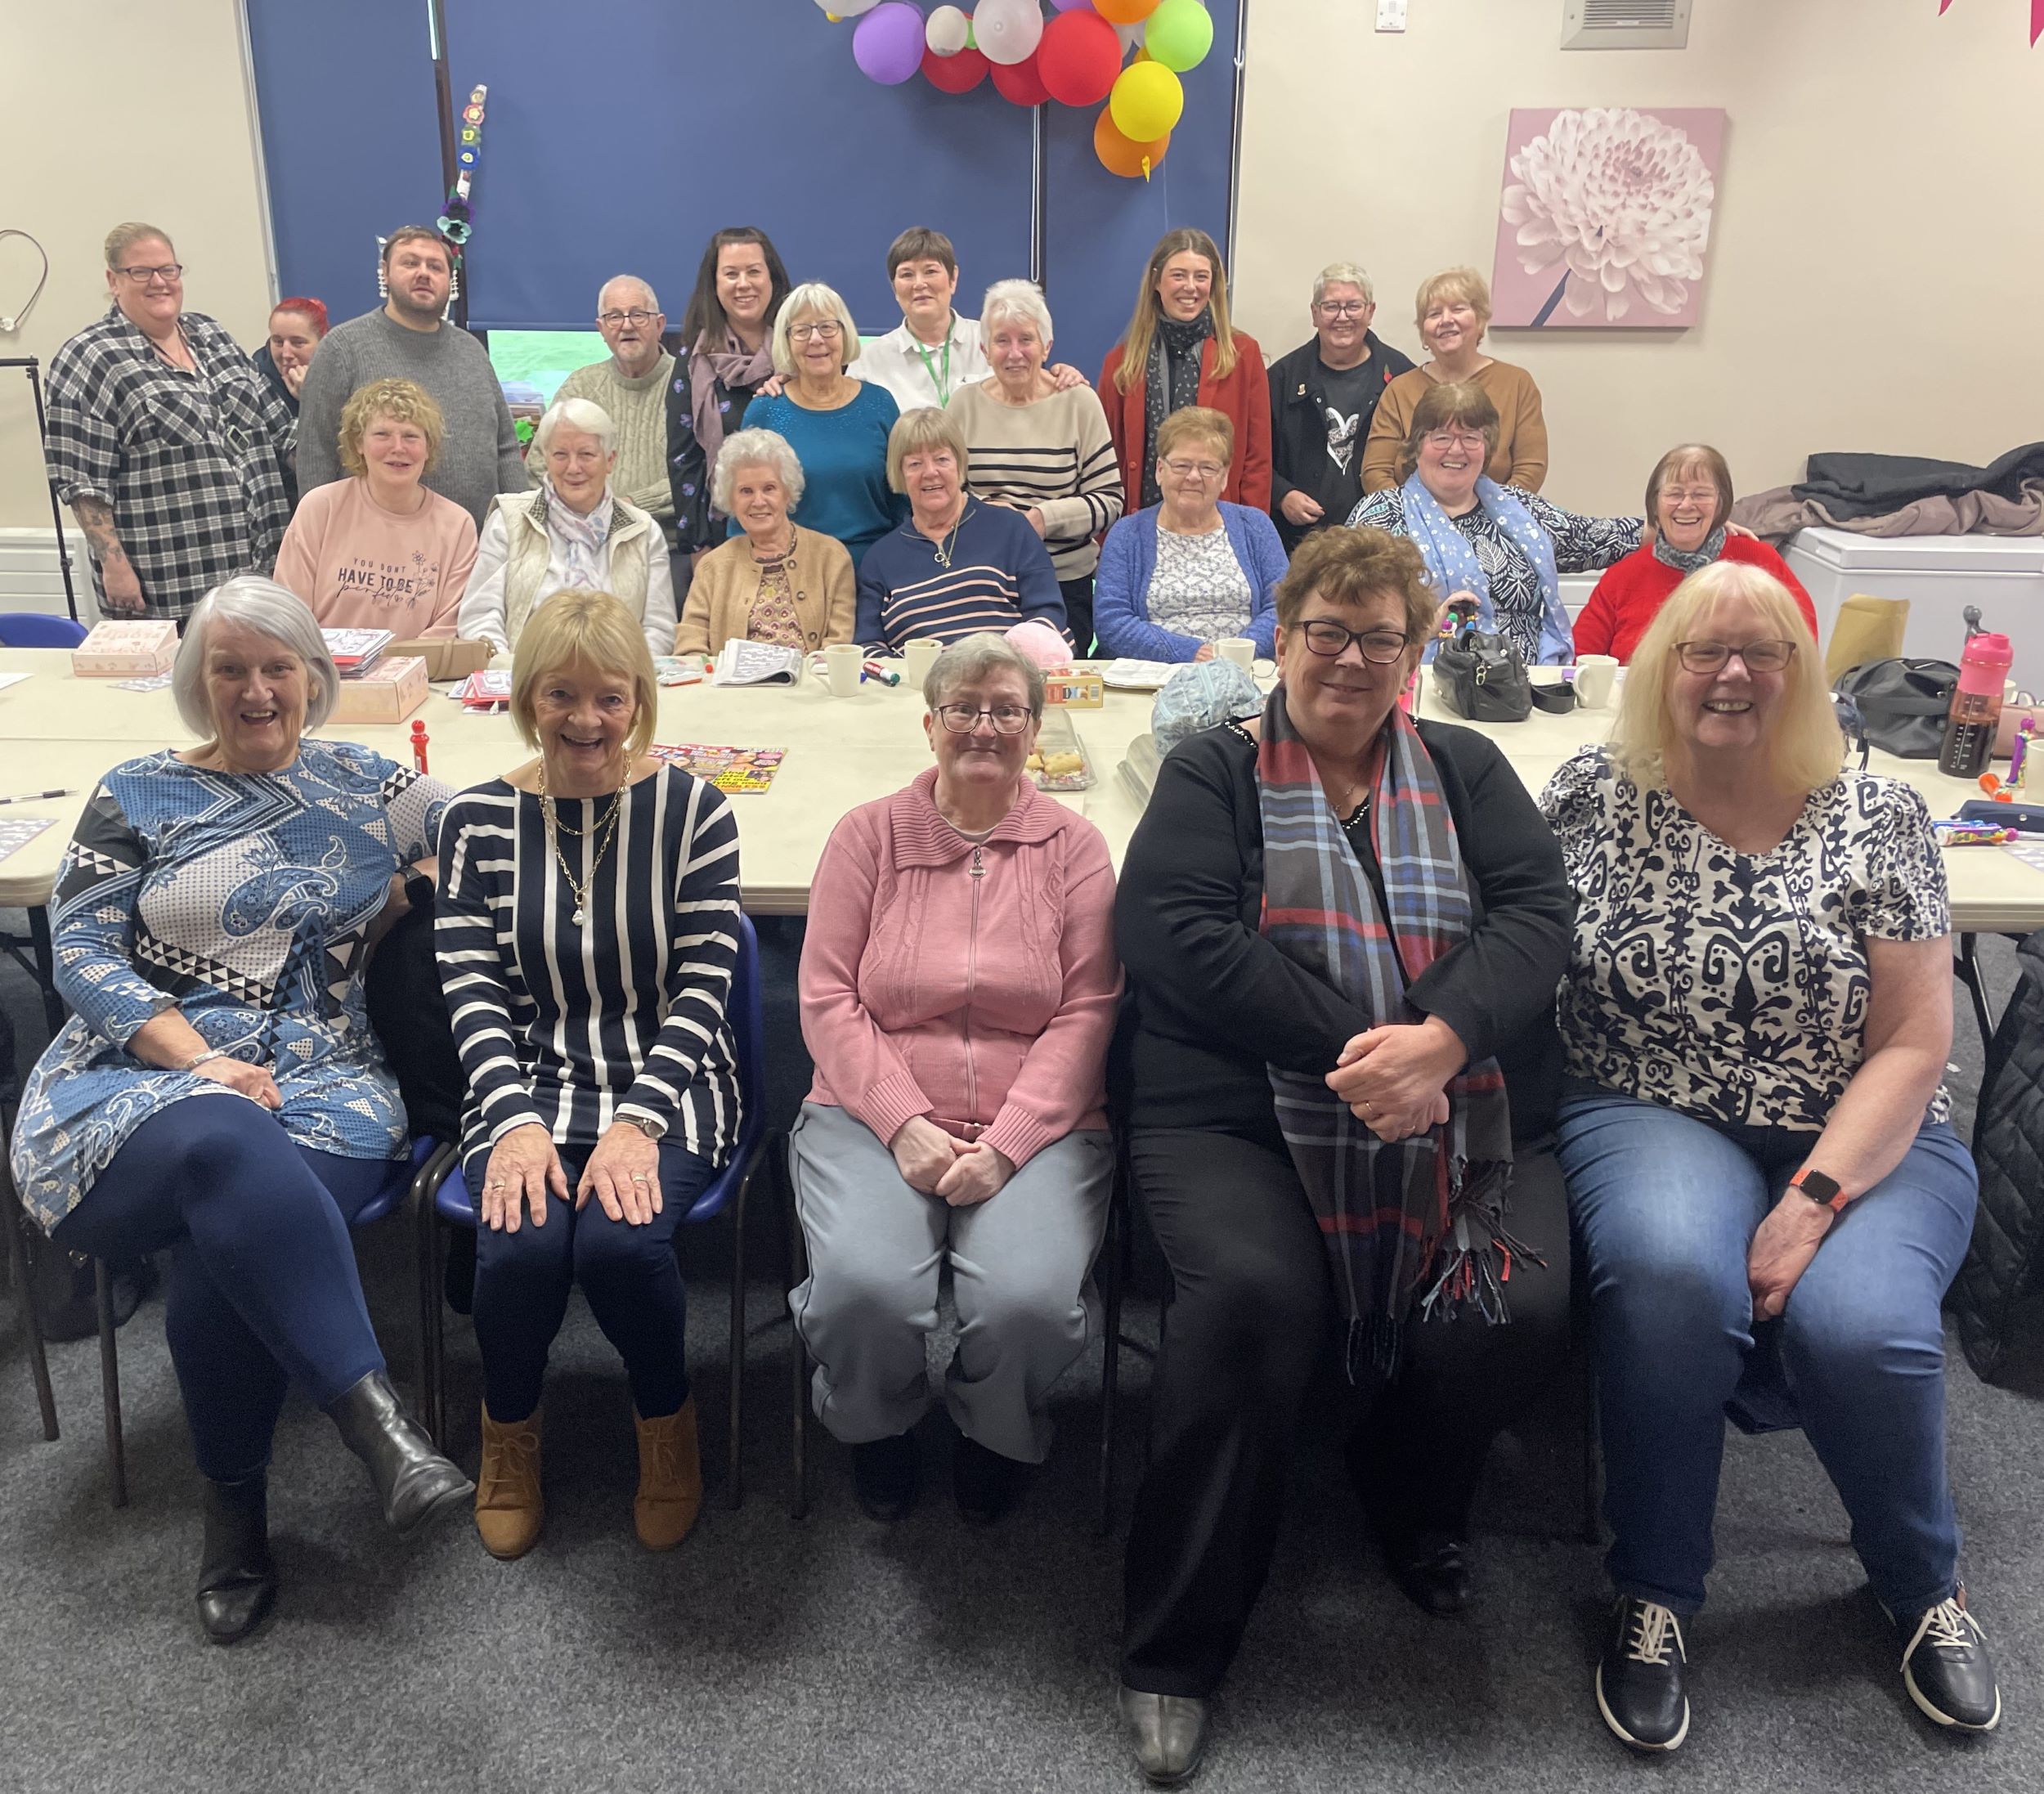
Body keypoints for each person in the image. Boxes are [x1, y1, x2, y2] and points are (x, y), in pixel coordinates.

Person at [1111, 527, 1575, 1785]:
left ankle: (1406, 1480)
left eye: (1382, 638)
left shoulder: (1468, 770)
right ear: (1285, 634)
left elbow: (1542, 914)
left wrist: (1443, 1043)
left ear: (1415, 653)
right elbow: (1172, 932)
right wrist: (1375, 1057)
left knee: (1509, 1305)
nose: (1352, 660)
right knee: (1255, 1296)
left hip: (1466, 1109)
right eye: (1328, 631)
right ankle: (1176, 1642)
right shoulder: (1212, 771)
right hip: (1236, 1113)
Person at [1543, 560, 2001, 1752]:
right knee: (1674, 1283)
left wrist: (1809, 1202)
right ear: (1662, 669)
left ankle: (1920, 1583)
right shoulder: (1593, 790)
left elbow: (1913, 1042)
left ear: (1800, 674)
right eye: (1704, 650)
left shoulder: (1880, 811)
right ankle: (1654, 1591)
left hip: (1862, 1125)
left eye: (1763, 652)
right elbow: (1519, 951)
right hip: (1650, 1100)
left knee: (1865, 1324)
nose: (1732, 673)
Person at [6, 577, 473, 1644]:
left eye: (279, 669)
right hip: (135, 1077)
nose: (258, 691)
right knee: (225, 1137)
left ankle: (235, 1506)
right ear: (197, 683)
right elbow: (76, 945)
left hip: (329, 1078)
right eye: (231, 669)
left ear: (314, 677)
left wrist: (444, 883)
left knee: (231, 1228)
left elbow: (502, 832)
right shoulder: (136, 793)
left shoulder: (378, 786)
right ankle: (377, 1424)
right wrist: (195, 1054)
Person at [435, 591, 743, 1559]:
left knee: (618, 1245)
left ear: (641, 699)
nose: (585, 721)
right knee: (521, 1251)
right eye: (560, 694)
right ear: (526, 697)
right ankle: (508, 1431)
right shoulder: (475, 821)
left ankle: (666, 1422)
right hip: (524, 1078)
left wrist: (639, 1121)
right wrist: (517, 1122)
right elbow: (471, 995)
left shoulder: (696, 810)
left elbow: (704, 991)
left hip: (671, 1077)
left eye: (610, 697)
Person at [790, 633, 1118, 1525]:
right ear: (928, 724)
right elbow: (824, 996)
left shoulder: (1074, 848)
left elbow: (1087, 1009)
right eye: (965, 709)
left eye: (1006, 709)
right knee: (864, 1290)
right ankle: (877, 1428)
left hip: (1038, 1122)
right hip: (870, 1109)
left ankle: (996, 1431)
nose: (984, 726)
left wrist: (1008, 1146)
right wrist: (901, 1121)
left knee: (1027, 1306)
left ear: (1036, 728)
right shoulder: (866, 836)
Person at [44, 222, 297, 621]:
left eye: (168, 270)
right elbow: (83, 483)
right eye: (141, 272)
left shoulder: (213, 336)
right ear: (114, 280)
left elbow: (282, 430)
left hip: (260, 575)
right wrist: (114, 565)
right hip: (170, 587)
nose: (159, 282)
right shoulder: (91, 358)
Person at [1347, 382, 1640, 666]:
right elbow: (1349, 608)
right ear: (1417, 445)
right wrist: (1424, 628)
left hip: (1527, 692)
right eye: (1441, 437)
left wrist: (1670, 521)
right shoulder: (1380, 516)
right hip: (1424, 690)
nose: (1456, 450)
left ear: (1486, 447)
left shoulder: (1521, 509)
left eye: (1471, 438)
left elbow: (1592, 539)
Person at [296, 225, 530, 527]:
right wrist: (320, 534)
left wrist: (521, 529)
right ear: (386, 272)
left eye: (435, 267)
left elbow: (506, 448)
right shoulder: (342, 349)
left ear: (450, 280)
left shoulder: (471, 351)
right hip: (374, 553)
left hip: (476, 549)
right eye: (410, 263)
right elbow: (317, 453)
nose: (424, 273)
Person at [946, 280, 1123, 653]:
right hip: (982, 581)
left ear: (1047, 347)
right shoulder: (962, 405)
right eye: (1001, 341)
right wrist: (988, 517)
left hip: (1063, 583)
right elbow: (947, 494)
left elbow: (1109, 501)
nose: (1015, 353)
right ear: (984, 349)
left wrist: (1040, 519)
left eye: (1026, 339)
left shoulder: (1079, 402)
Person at [459, 398, 676, 660]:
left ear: (610, 460)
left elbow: (659, 629)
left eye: (586, 454)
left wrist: (625, 680)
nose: (573, 468)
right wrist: (511, 676)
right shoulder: (509, 522)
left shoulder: (643, 531)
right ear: (547, 459)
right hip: (525, 680)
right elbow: (479, 617)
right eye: (560, 454)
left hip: (618, 683)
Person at [1576, 443, 1819, 662]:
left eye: (1701, 494)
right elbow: (1578, 661)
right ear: (1655, 503)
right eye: (1675, 493)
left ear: (1720, 503)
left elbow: (1804, 649)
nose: (1686, 505)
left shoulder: (1759, 563)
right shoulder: (1622, 578)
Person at [273, 377, 477, 637]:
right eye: (382, 434)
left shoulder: (457, 526)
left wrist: (397, 674)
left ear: (429, 448)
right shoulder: (320, 508)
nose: (398, 448)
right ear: (358, 443)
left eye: (411, 436)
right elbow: (290, 614)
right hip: (326, 671)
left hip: (418, 674)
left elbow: (446, 630)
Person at [854, 408, 1065, 650]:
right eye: (915, 464)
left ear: (959, 463)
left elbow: (1047, 617)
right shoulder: (879, 559)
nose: (930, 472)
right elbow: (868, 647)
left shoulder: (1011, 528)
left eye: (942, 459)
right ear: (900, 473)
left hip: (1005, 679)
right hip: (917, 686)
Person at [1093, 407, 1287, 664]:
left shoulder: (1255, 526)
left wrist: (1233, 655)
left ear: (1225, 477)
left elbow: (1284, 607)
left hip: (1246, 672)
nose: (1194, 477)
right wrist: (1189, 653)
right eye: (1182, 465)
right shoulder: (1127, 535)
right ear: (1160, 470)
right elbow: (1112, 622)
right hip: (1157, 677)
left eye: (1208, 468)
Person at [1100, 228, 1271, 514]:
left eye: (1201, 277)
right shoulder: (1122, 363)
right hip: (1141, 523)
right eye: (1178, 275)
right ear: (1156, 280)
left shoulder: (1243, 356)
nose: (1190, 287)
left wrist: (1250, 531)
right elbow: (1107, 459)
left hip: (1219, 526)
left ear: (1214, 284)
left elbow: (1258, 461)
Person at [741, 281, 901, 569]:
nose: (816, 339)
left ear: (845, 333)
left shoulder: (880, 404)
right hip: (792, 572)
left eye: (827, 327)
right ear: (786, 341)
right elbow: (744, 512)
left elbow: (902, 500)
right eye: (801, 330)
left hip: (876, 569)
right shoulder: (765, 411)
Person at [856, 226, 1087, 413]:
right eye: (907, 274)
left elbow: (1032, 389)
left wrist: (1060, 377)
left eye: (930, 271)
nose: (919, 284)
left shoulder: (996, 343)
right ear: (894, 288)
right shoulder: (869, 360)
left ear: (953, 279)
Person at [1267, 262, 1414, 553]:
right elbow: (1254, 456)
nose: (1342, 317)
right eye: (1331, 306)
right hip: (1298, 544)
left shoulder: (1402, 377)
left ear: (1371, 312)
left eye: (1353, 306)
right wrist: (1281, 495)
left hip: (1381, 542)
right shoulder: (1281, 378)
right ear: (1314, 313)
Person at [666, 227, 793, 560]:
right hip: (724, 539)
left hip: (803, 530)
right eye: (731, 274)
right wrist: (697, 547)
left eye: (753, 271)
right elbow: (684, 461)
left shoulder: (801, 349)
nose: (743, 284)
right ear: (714, 284)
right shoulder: (694, 361)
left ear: (772, 277)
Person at [1361, 268, 1547, 495]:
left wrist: (1489, 517)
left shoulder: (1517, 383)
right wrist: (1412, 516)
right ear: (1423, 330)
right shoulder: (1399, 390)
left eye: (1458, 309)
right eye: (1434, 314)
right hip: (1408, 526)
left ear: (1480, 320)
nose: (1446, 320)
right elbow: (1375, 472)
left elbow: (1531, 468)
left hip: (1497, 523)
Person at [675, 428, 854, 656]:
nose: (758, 501)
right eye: (746, 491)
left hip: (812, 685)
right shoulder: (713, 567)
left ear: (787, 493)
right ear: (731, 499)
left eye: (769, 488)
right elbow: (690, 643)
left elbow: (839, 644)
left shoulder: (831, 556)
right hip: (732, 690)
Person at [554, 276, 677, 546]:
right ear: (601, 328)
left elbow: (704, 473)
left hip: (666, 547)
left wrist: (627, 506)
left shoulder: (688, 385)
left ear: (660, 325)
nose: (627, 325)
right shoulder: (581, 387)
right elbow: (543, 464)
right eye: (614, 317)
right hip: (585, 542)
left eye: (638, 315)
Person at [253, 296, 328, 416]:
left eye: (298, 343)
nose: (286, 354)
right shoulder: (256, 380)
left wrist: (313, 398)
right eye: (278, 342)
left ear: (323, 342)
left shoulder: (342, 370)